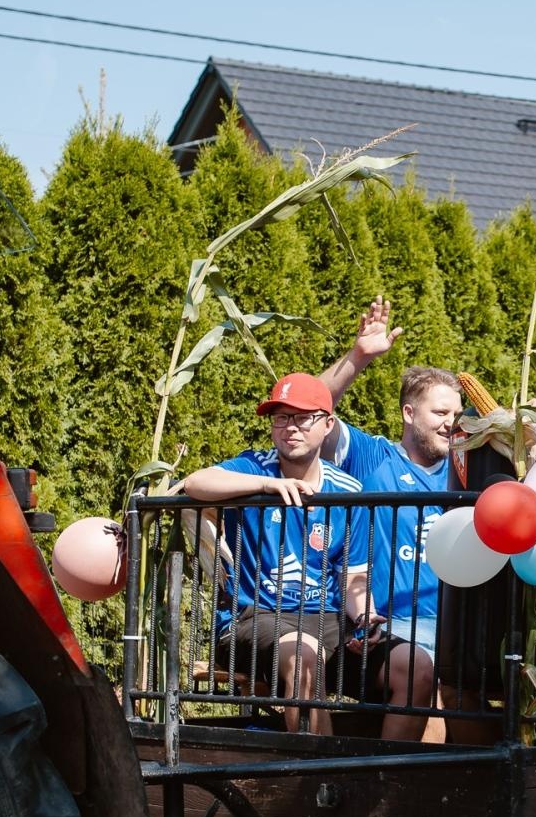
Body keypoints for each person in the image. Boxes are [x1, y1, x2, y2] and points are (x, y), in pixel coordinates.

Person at [183, 373, 373, 736]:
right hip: (255, 617)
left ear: (328, 424)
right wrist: (268, 485)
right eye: (281, 417)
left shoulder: (349, 490)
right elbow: (196, 483)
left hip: (329, 620)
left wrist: (365, 617)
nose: (290, 427)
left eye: (302, 417)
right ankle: (317, 781)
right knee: (303, 658)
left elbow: (353, 578)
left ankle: (392, 786)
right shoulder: (254, 467)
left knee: (413, 669)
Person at [316, 296, 456, 740]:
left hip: (457, 629)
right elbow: (312, 410)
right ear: (409, 414)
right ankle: (392, 789)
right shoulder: (373, 456)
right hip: (385, 628)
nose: (451, 423)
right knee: (426, 672)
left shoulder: (470, 467)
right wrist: (358, 357)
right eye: (440, 413)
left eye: (457, 414)